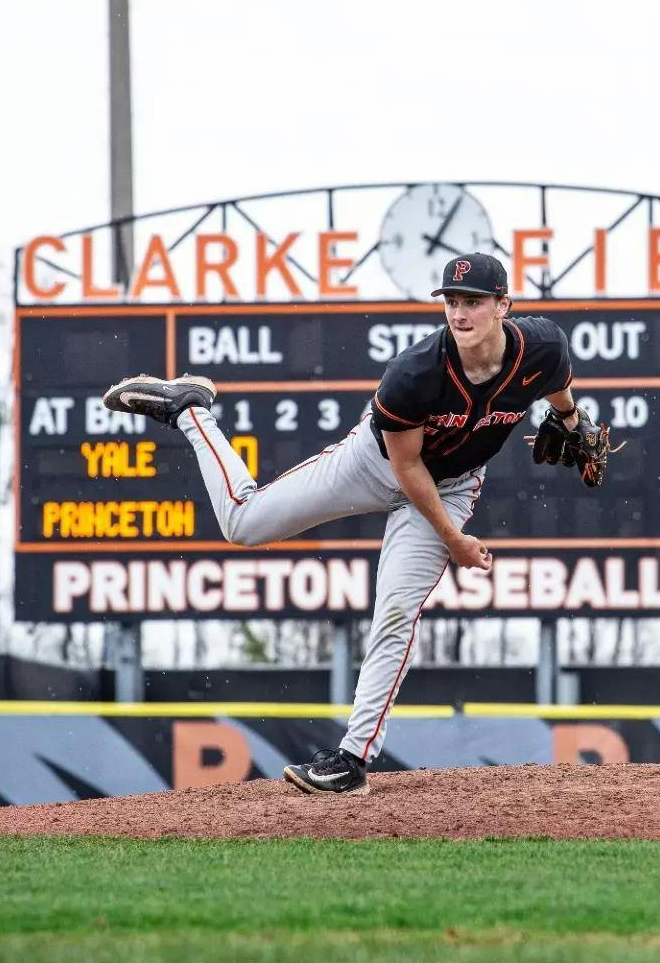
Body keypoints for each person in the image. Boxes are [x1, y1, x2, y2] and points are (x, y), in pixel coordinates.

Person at [102, 252, 611, 796]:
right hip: (375, 463)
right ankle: (191, 409)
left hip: (454, 484)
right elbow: (407, 466)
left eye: (473, 302)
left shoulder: (543, 346)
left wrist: (570, 420)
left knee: (396, 609)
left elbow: (556, 382)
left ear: (503, 305)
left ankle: (351, 759)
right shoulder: (415, 373)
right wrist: (454, 539)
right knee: (243, 524)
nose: (459, 314)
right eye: (452, 302)